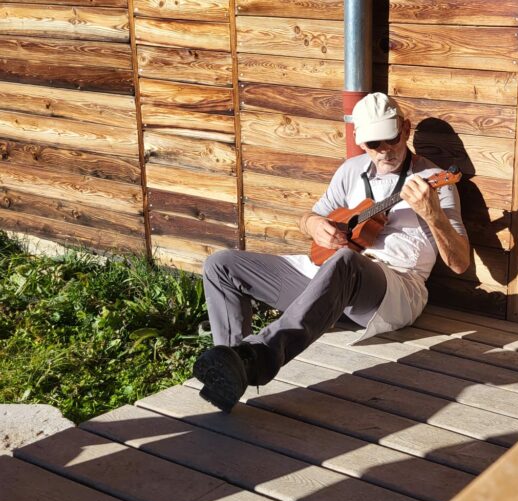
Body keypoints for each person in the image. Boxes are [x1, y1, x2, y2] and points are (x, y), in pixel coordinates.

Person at [192, 92, 471, 412]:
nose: (382, 151)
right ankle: (229, 375)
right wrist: (313, 226)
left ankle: (259, 356)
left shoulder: (432, 182)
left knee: (346, 260)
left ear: (405, 130)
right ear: (360, 141)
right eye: (372, 144)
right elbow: (309, 217)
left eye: (389, 139)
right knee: (221, 264)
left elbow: (460, 262)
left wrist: (433, 214)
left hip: (392, 291)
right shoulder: (352, 170)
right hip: (328, 279)